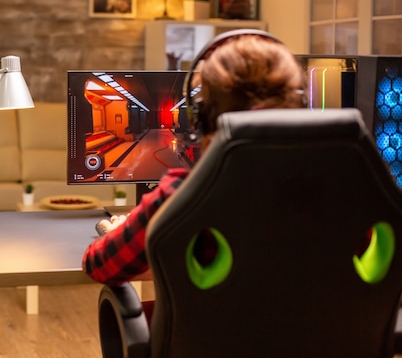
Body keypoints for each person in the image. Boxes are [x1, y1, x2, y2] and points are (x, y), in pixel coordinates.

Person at [82, 30, 308, 319]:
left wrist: (116, 233)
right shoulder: (342, 189)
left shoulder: (182, 195)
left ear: (199, 119)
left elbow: (99, 264)